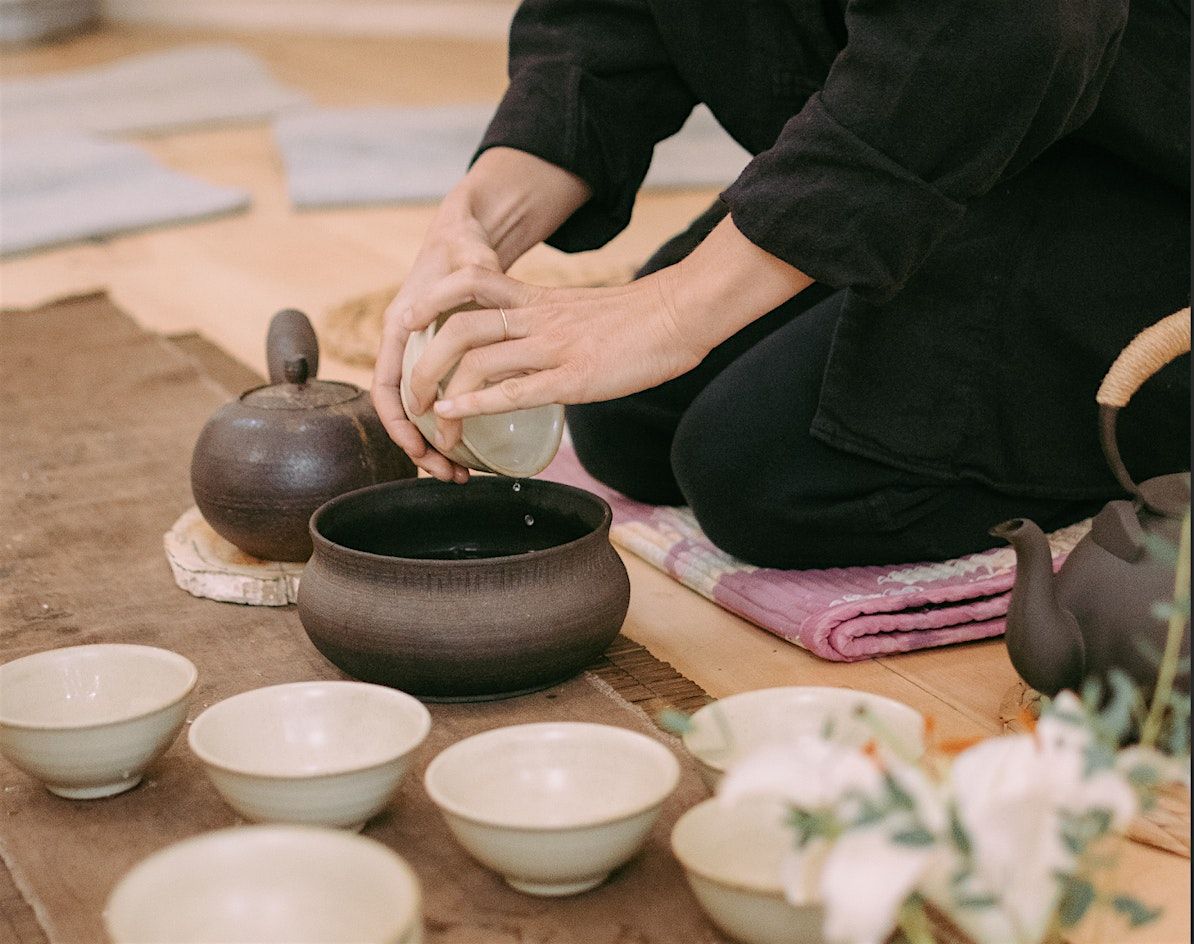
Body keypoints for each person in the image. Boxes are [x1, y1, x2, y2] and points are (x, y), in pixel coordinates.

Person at [372, 0, 1190, 568]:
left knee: (761, 474)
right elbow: (613, 21)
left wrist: (668, 310)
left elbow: (1006, 24)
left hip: (1138, 174)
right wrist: (478, 220)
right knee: (622, 416)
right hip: (948, 143)